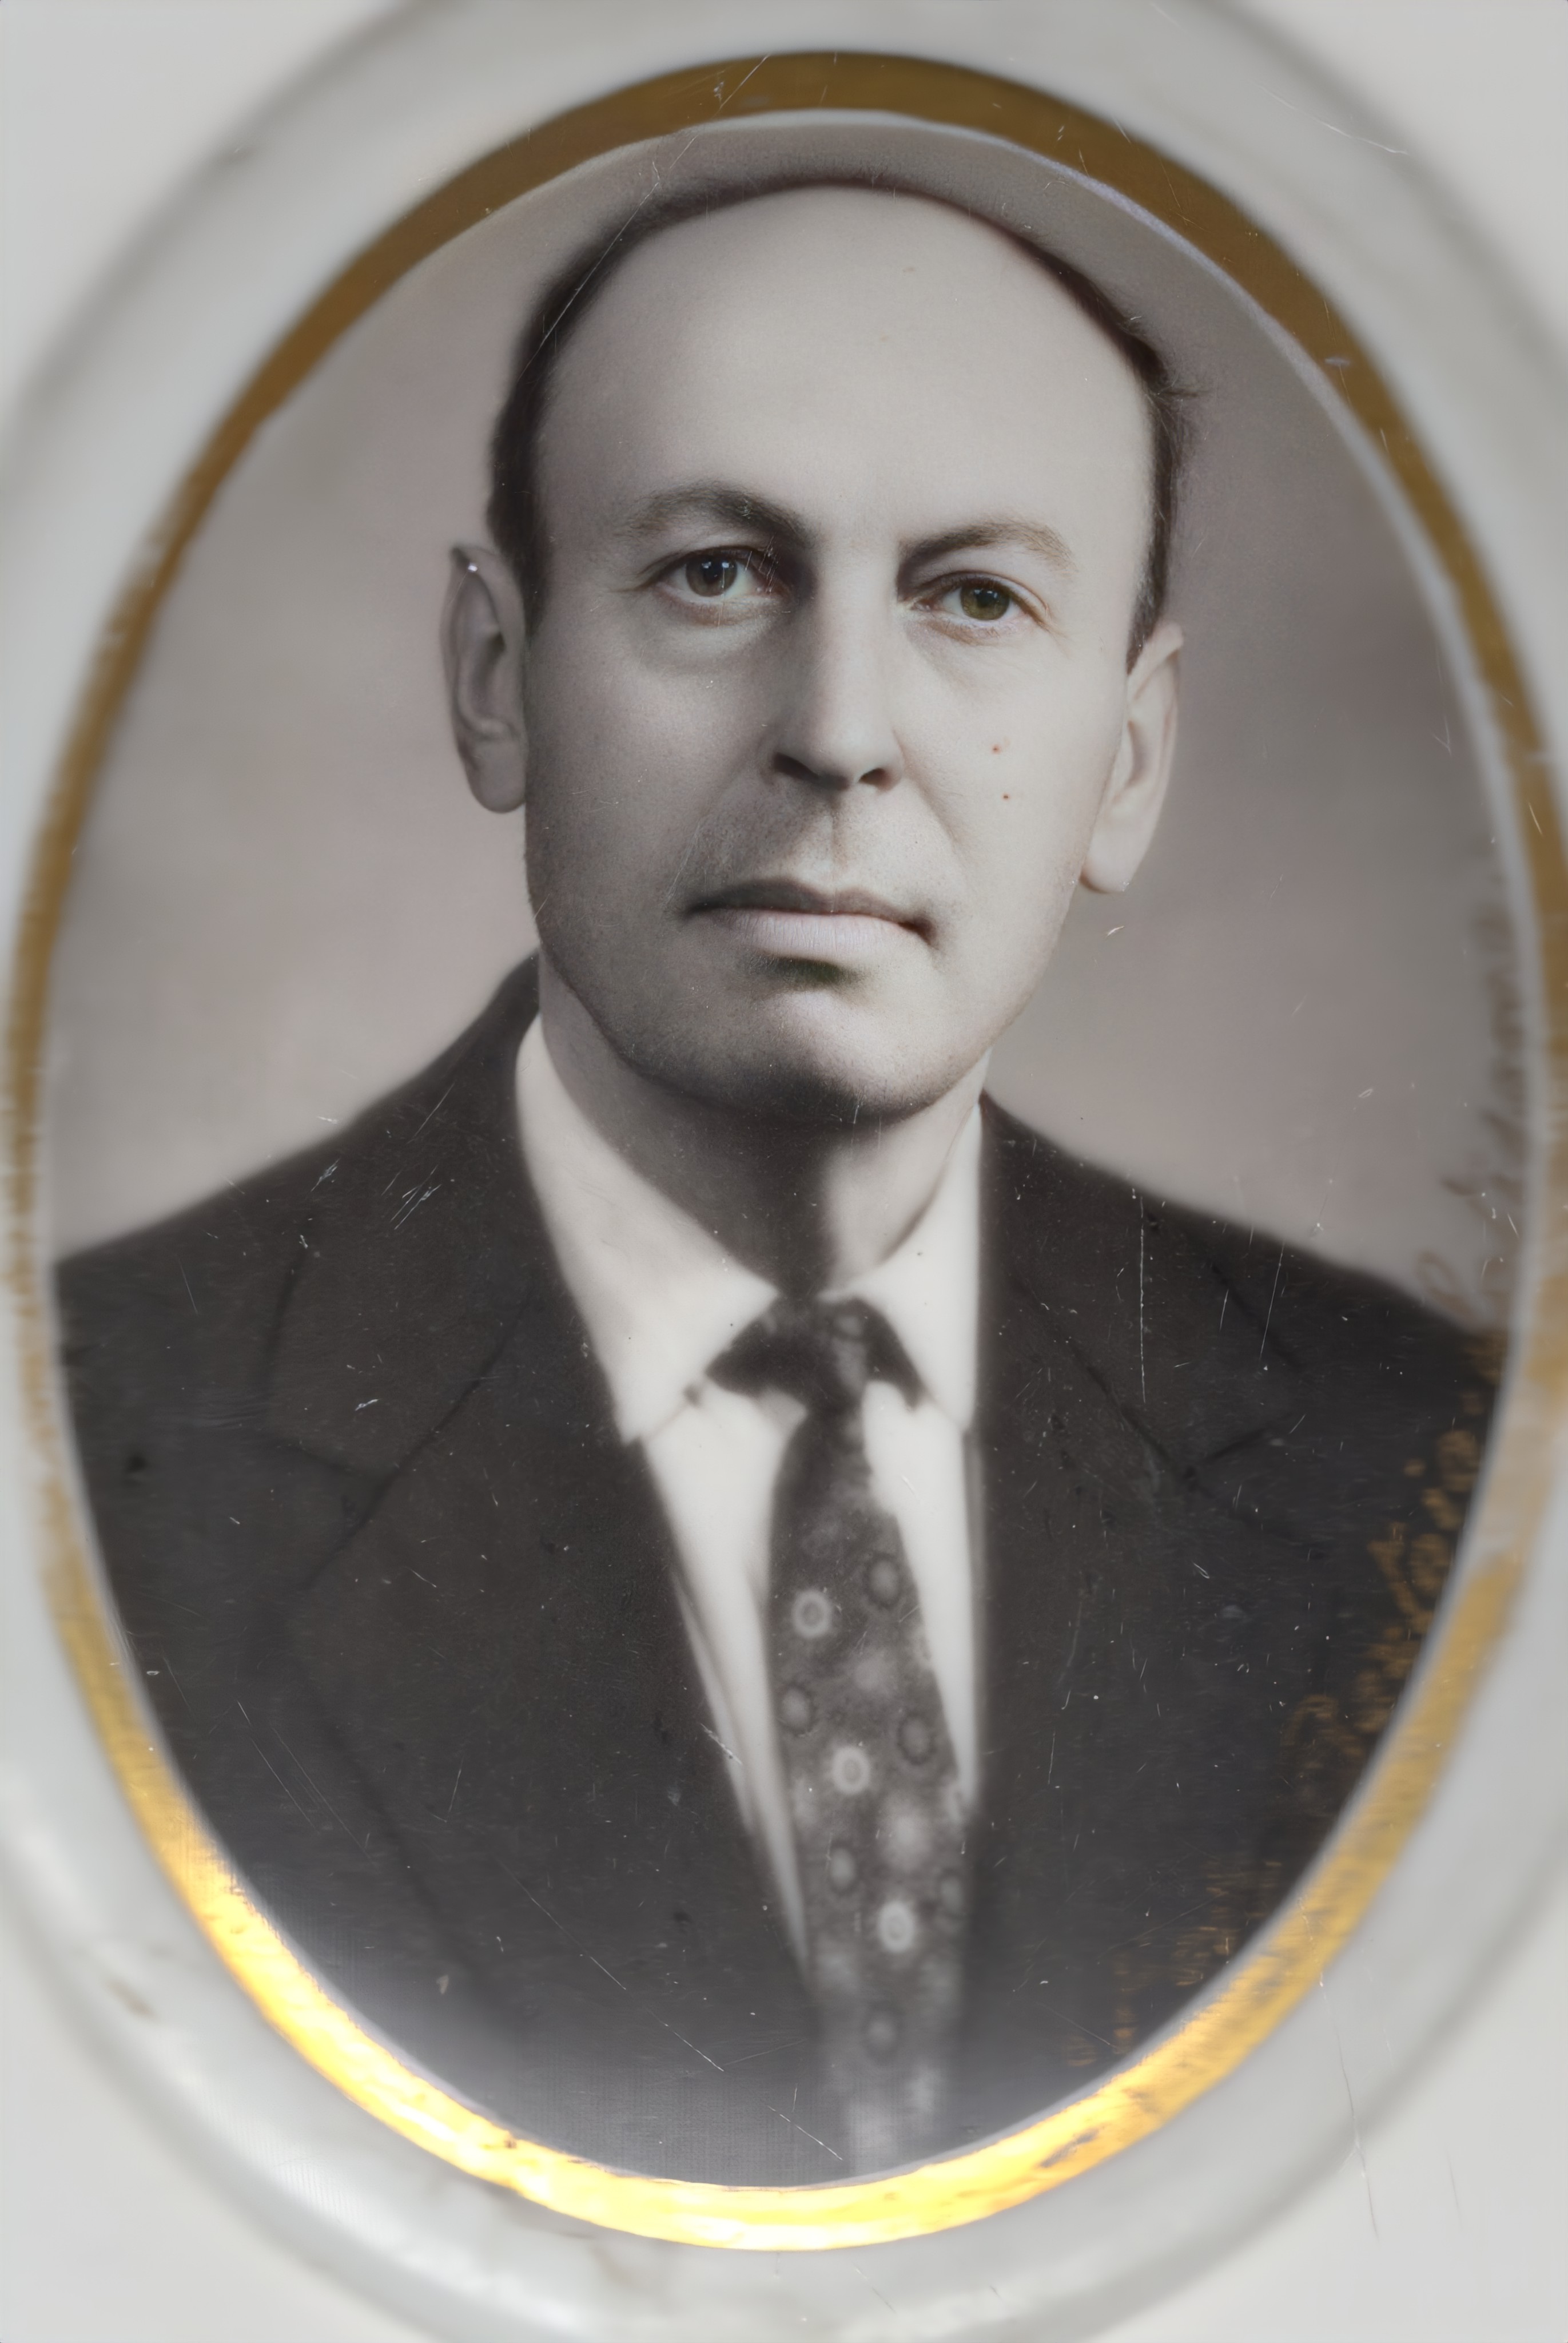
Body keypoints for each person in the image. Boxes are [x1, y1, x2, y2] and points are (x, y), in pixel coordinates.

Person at [57, 180, 1494, 2183]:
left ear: (1130, 761)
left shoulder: (1437, 1472)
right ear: (496, 676)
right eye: (717, 574)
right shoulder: (82, 1456)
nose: (839, 733)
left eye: (973, 600)